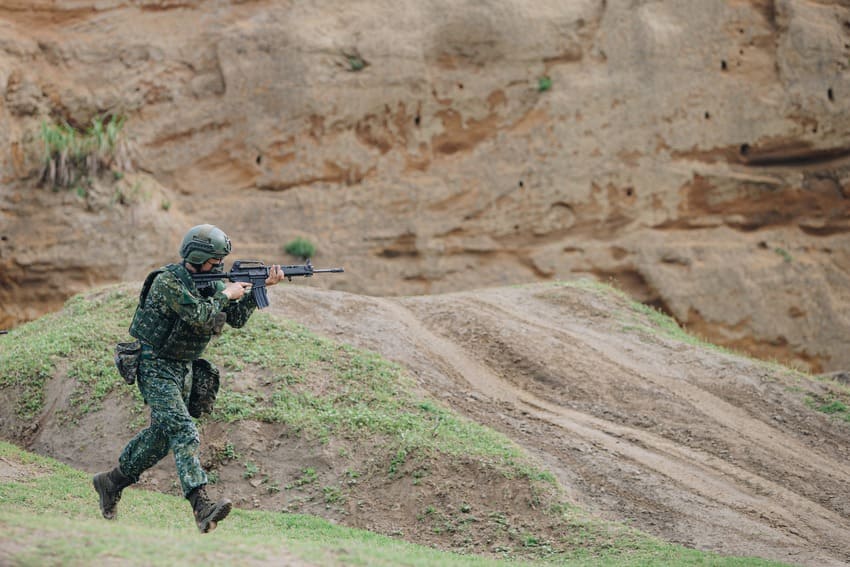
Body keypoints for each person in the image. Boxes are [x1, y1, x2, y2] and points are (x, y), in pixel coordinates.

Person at [93, 224, 285, 533]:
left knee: (159, 440)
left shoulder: (208, 283)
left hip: (184, 368)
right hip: (154, 365)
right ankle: (202, 506)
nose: (218, 266)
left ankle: (111, 482)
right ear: (197, 256)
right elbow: (198, 314)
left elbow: (232, 319)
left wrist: (256, 291)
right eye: (214, 260)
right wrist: (226, 293)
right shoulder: (167, 282)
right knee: (184, 431)